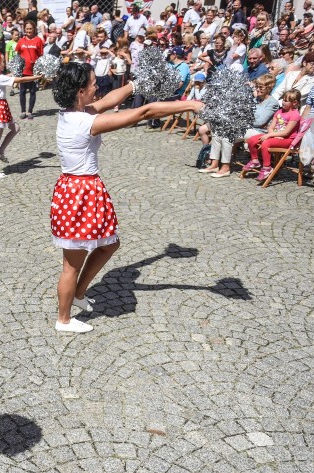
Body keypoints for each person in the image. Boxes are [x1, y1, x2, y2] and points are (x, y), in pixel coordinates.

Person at [49, 62, 201, 333]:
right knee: (71, 265)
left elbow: (108, 100)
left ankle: (79, 293)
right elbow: (146, 111)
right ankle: (63, 319)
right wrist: (191, 105)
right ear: (80, 92)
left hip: (81, 189)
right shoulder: (86, 122)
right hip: (79, 191)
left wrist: (136, 84)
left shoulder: (74, 112)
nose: (98, 86)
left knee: (110, 244)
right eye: (93, 83)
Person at [199, 74, 277, 179]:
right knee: (218, 132)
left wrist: (242, 118)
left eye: (260, 87)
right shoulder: (255, 99)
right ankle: (214, 164)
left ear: (268, 88)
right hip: (245, 127)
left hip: (259, 131)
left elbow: (260, 122)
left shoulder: (272, 103)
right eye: (256, 86)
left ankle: (225, 167)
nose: (257, 89)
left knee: (228, 135)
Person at [0, 49, 42, 178]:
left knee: (16, 128)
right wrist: (36, 77)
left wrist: (12, 74)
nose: (5, 64)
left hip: (0, 106)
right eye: (3, 62)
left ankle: (1, 151)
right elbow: (19, 81)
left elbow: (8, 77)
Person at [244, 89, 302, 183]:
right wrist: (271, 135)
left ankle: (267, 167)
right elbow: (271, 127)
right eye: (283, 99)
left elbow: (286, 132)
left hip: (288, 140)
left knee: (266, 143)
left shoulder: (295, 115)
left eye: (286, 101)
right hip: (275, 136)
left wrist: (271, 136)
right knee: (252, 140)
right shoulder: (279, 112)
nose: (283, 102)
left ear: (294, 102)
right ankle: (255, 161)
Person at [15, 20, 44, 120]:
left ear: (34, 29)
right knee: (22, 91)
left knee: (32, 91)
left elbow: (41, 56)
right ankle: (23, 111)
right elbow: (17, 54)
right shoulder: (21, 41)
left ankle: (30, 111)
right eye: (27, 29)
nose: (29, 30)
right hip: (23, 71)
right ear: (24, 29)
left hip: (34, 71)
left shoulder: (38, 40)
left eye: (30, 28)